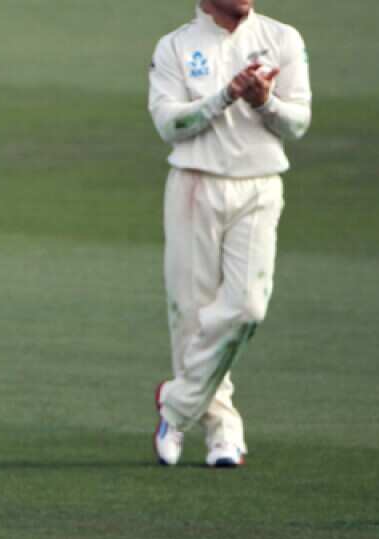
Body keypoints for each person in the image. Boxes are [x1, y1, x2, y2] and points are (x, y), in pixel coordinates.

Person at [148, 0, 311, 467]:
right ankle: (223, 431)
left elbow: (297, 124)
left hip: (259, 185)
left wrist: (264, 101)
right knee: (193, 316)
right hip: (195, 184)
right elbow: (169, 124)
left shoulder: (283, 39)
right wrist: (224, 95)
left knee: (245, 308)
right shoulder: (175, 47)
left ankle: (176, 406)